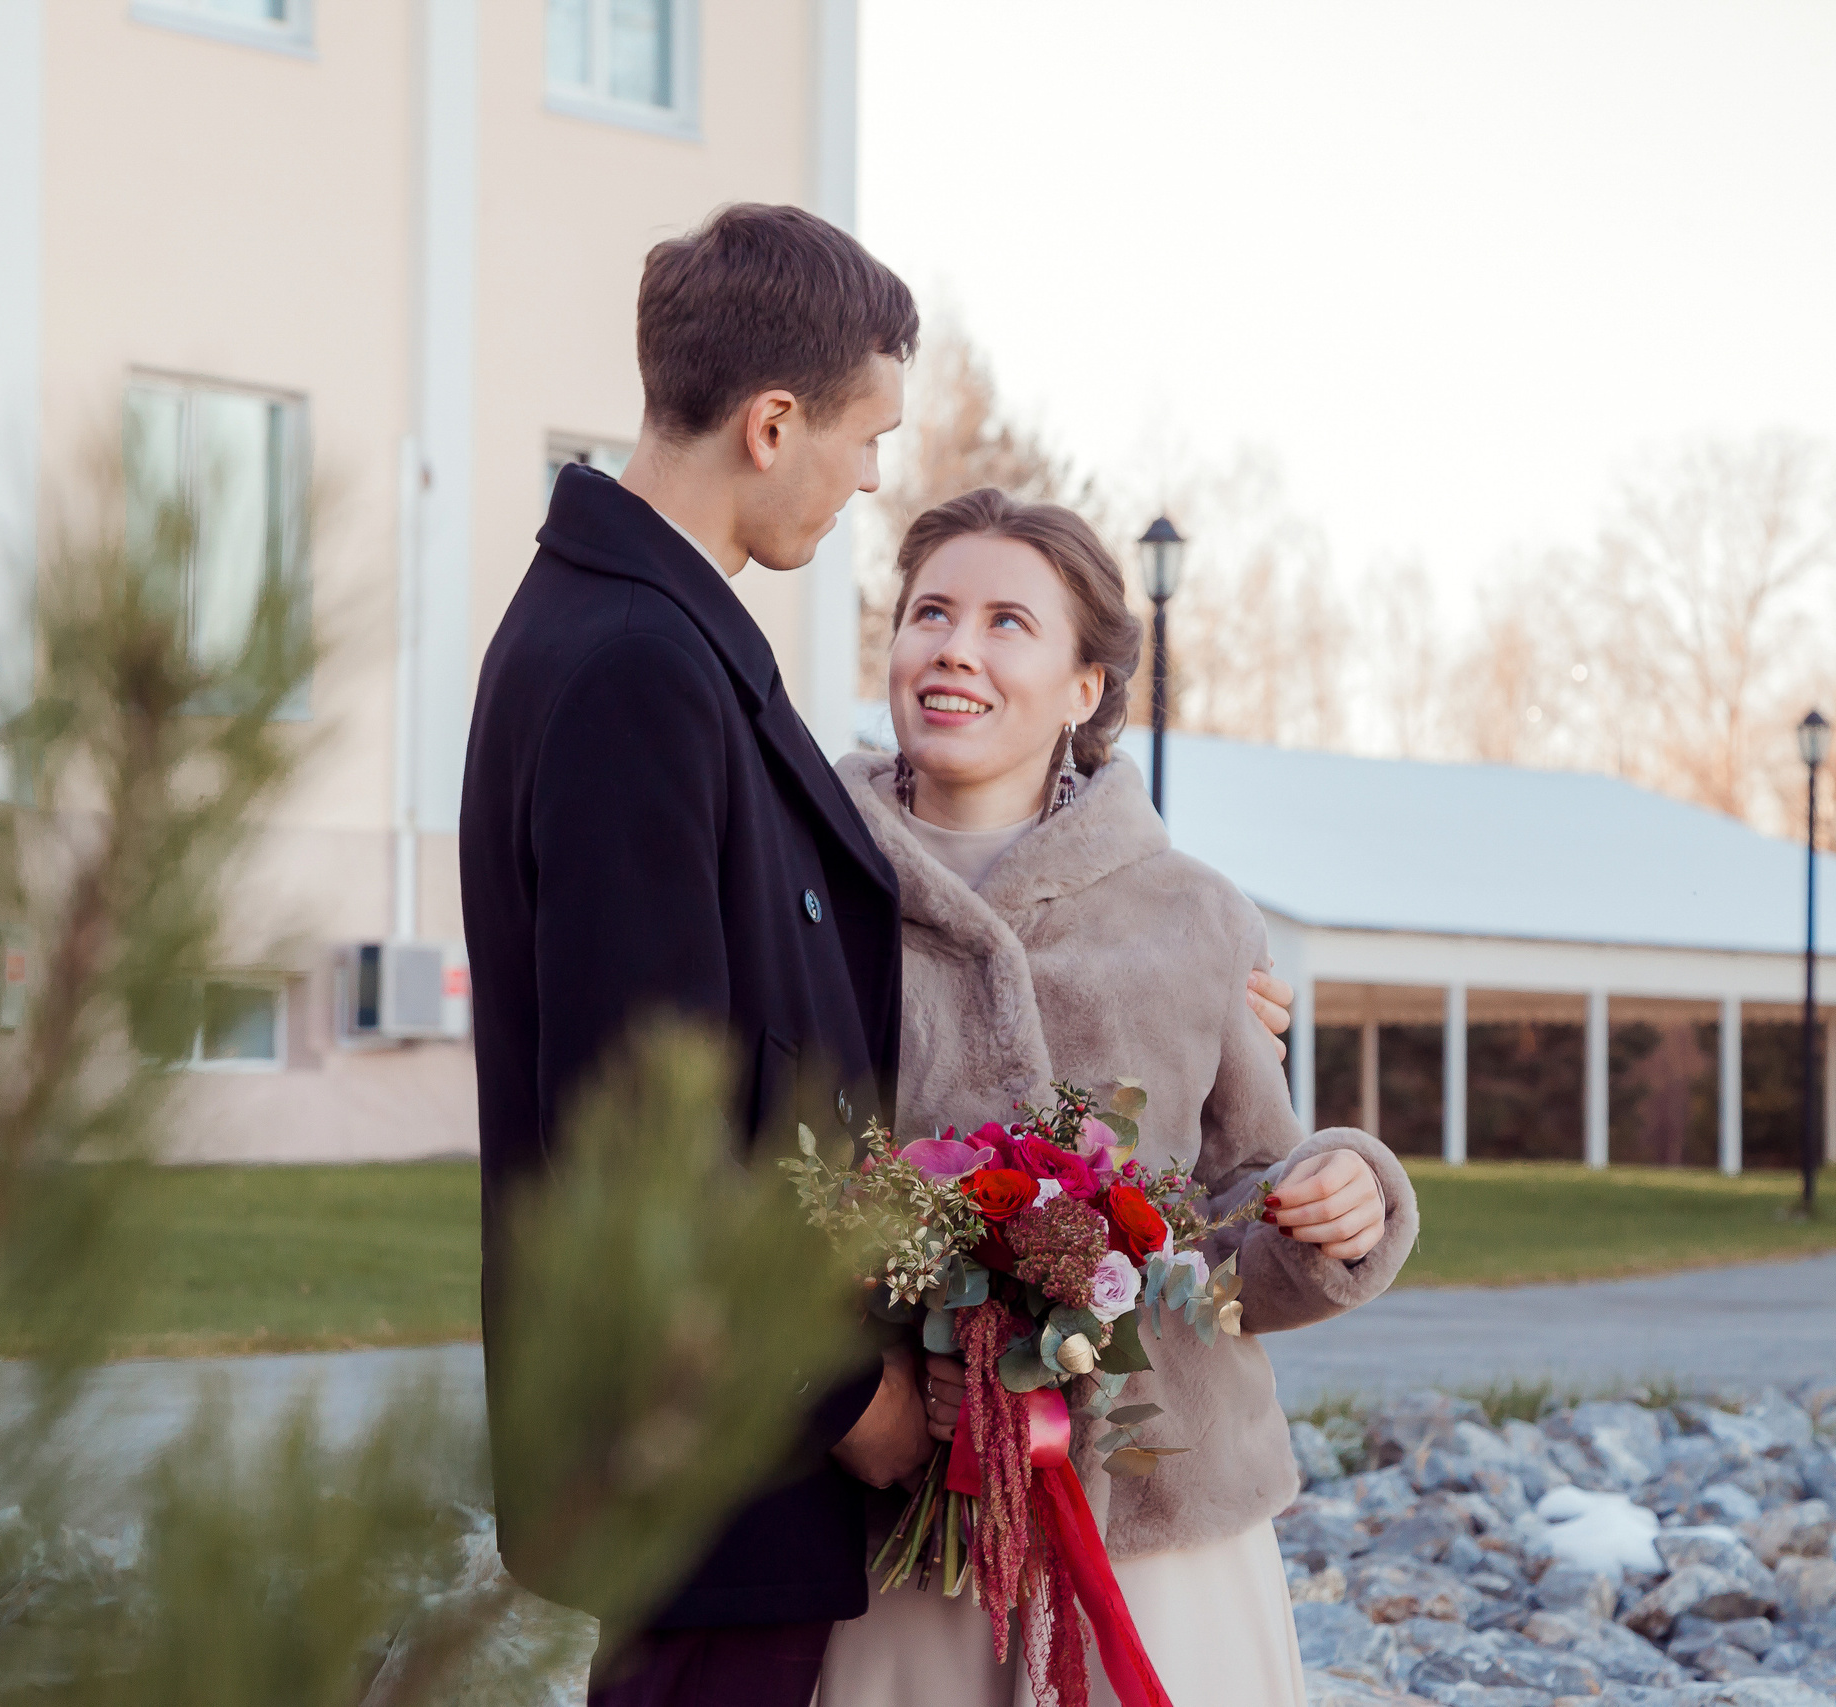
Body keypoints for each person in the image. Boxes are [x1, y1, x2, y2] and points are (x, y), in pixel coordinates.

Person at [813, 489, 1420, 1707]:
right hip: (905, 1532)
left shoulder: (1193, 914)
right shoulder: (808, 885)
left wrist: (1341, 1198)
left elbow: (1248, 1189)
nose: (954, 650)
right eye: (928, 612)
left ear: (1085, 687)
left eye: (1004, 623)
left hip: (1165, 1522)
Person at [461, 202, 934, 1707]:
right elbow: (646, 1115)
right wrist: (846, 1393)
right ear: (772, 421)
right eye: (868, 438)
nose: (871, 477)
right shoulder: (632, 665)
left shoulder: (656, 632)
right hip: (710, 1433)